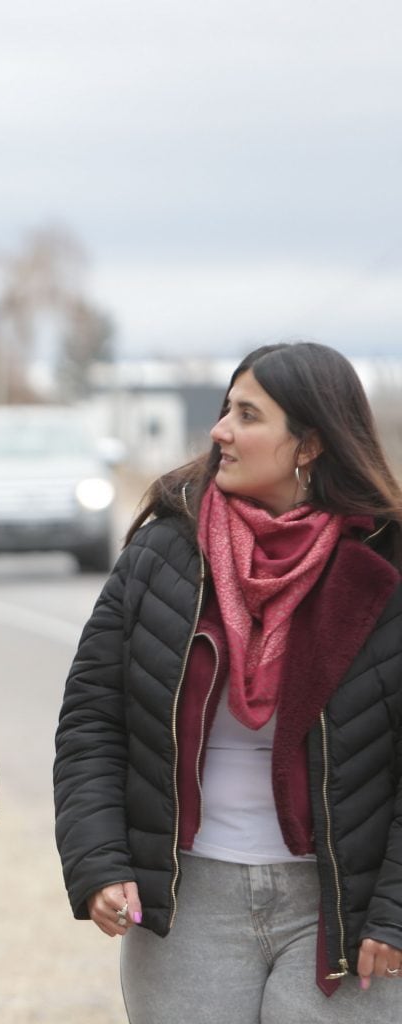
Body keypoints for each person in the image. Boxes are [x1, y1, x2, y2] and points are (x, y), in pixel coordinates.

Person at [53, 341, 402, 1021]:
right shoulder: (161, 555)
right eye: (224, 410)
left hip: (341, 908)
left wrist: (396, 909)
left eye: (246, 415)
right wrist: (98, 858)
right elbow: (94, 721)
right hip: (188, 901)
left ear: (308, 446)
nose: (220, 431)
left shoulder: (386, 569)